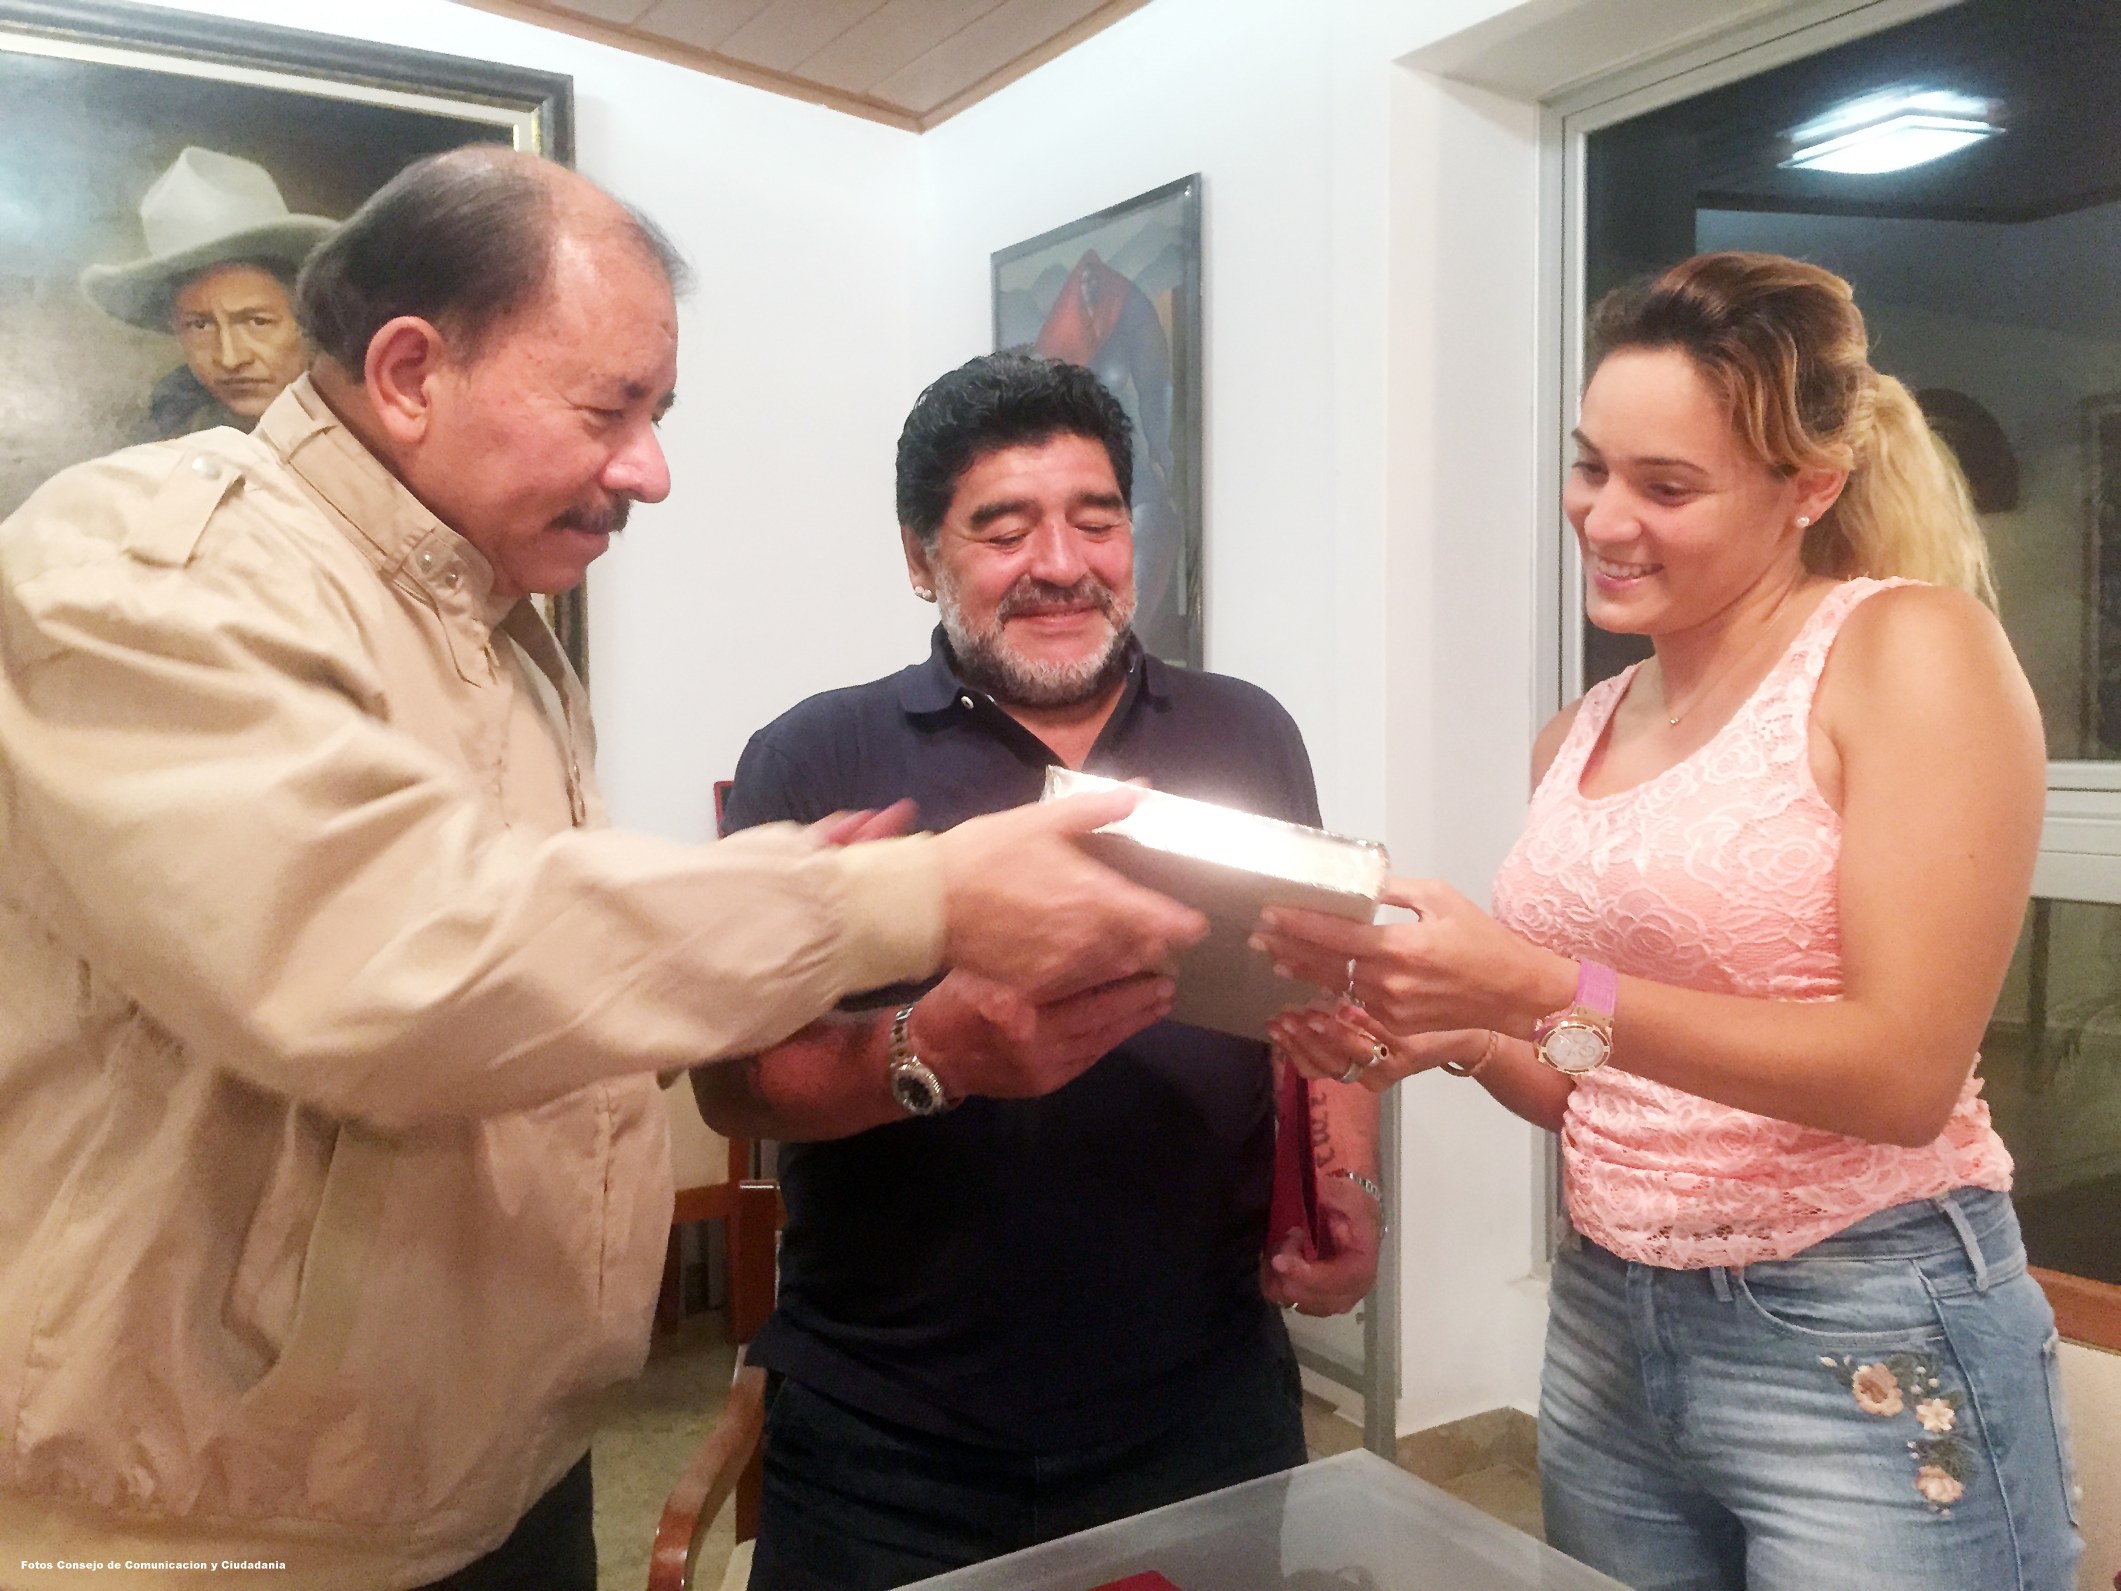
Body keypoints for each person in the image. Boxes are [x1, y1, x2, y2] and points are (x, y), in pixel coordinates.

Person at [0, 151, 1207, 1591]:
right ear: (408, 373)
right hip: (225, 1524)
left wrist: (754, 903)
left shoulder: (498, 626)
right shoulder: (152, 567)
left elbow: (516, 956)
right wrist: (904, 904)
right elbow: (382, 951)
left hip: (484, 1467)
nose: (650, 469)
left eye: (657, 416)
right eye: (608, 411)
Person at [1255, 253, 2082, 1591]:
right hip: (1609, 1318)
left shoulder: (1902, 650)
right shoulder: (1578, 732)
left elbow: (1901, 1072)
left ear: (1809, 487)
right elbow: (1606, 1084)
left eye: (1668, 486)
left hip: (1862, 1312)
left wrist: (1530, 982)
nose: (1605, 516)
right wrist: (1461, 1029)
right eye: (1590, 467)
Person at [695, 351, 1382, 1591]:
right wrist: (927, 1053)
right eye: (1004, 530)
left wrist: (1346, 1185)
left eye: (1097, 520)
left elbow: (1313, 986)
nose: (1062, 563)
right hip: (889, 1434)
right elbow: (730, 1083)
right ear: (922, 558)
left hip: (1203, 1407)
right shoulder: (813, 755)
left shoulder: (1246, 730)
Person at [80, 146, 331, 439]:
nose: (230, 359)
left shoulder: (363, 425)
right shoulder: (163, 436)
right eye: (199, 326)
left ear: (307, 321)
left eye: (257, 322)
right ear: (176, 329)